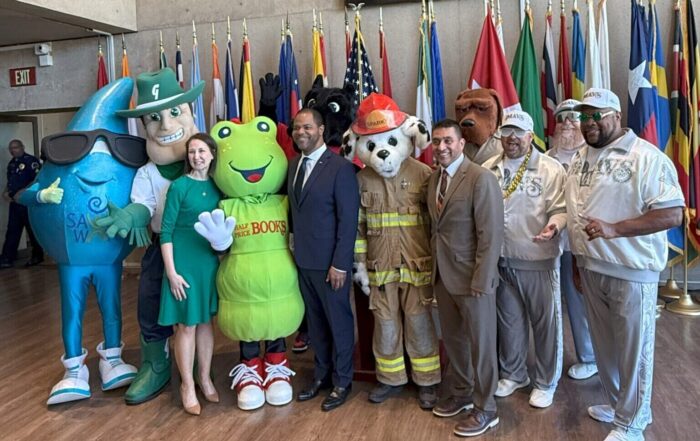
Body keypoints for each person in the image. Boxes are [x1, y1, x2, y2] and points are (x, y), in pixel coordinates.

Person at [566, 88, 684, 441]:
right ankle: (621, 407)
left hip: (631, 271)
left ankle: (633, 424)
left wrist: (615, 229)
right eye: (583, 116)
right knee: (605, 348)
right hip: (592, 267)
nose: (588, 123)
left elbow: (672, 214)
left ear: (616, 116)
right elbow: (577, 213)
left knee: (634, 351)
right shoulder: (580, 157)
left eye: (596, 115)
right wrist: (577, 261)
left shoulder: (646, 157)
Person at [482, 111, 566, 409]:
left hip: (537, 259)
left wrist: (553, 226)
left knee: (546, 325)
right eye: (507, 132)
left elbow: (561, 209)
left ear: (531, 136)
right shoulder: (488, 168)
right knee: (510, 322)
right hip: (501, 261)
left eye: (519, 132)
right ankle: (514, 374)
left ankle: (546, 381)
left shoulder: (550, 169)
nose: (512, 138)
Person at [427, 119, 503, 437]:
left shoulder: (480, 178)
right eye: (436, 141)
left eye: (448, 141)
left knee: (482, 346)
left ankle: (486, 408)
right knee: (454, 340)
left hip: (474, 280)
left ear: (461, 143)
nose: (441, 147)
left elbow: (491, 234)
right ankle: (461, 393)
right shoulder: (434, 179)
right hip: (443, 277)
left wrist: (483, 280)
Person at [288, 108, 359, 412]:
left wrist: (340, 263)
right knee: (315, 325)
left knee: (338, 323)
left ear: (320, 130)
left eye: (307, 127)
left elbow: (348, 220)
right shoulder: (293, 165)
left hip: (332, 265)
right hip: (304, 261)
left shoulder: (340, 168)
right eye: (296, 127)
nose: (300, 132)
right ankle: (322, 376)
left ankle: (342, 381)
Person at [158, 133, 220, 415]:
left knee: (206, 322)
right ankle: (187, 385)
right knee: (187, 325)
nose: (197, 156)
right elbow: (166, 232)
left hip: (208, 262)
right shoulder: (179, 186)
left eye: (202, 151)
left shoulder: (218, 186)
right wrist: (171, 272)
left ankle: (204, 378)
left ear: (212, 154)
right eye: (192, 152)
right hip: (182, 262)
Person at [546, 99, 598, 381]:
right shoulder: (544, 158)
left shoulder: (595, 157)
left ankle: (590, 357)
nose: (567, 122)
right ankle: (549, 360)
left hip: (582, 244)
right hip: (549, 244)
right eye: (561, 117)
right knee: (548, 306)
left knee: (581, 302)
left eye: (573, 117)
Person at [0, 139, 43, 268]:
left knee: (32, 230)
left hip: (27, 201)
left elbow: (37, 180)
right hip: (15, 202)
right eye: (11, 148)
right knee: (12, 230)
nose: (13, 150)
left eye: (15, 147)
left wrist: (23, 191)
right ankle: (7, 258)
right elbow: (10, 181)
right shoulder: (12, 163)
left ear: (22, 147)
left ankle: (37, 256)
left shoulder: (31, 161)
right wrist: (5, 192)